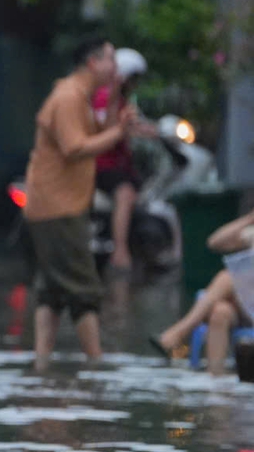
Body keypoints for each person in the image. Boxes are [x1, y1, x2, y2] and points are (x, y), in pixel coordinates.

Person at [23, 39, 141, 366]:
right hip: (57, 205)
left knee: (51, 288)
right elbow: (74, 148)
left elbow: (102, 131)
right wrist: (118, 133)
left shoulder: (83, 98)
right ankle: (96, 363)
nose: (116, 67)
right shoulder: (68, 97)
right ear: (92, 63)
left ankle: (42, 361)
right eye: (110, 60)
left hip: (60, 203)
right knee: (84, 286)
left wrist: (115, 102)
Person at [155, 210, 254, 372]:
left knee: (227, 277)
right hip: (245, 306)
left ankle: (179, 333)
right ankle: (215, 380)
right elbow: (215, 242)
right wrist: (250, 219)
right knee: (220, 312)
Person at [93, 48, 157, 272]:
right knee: (125, 193)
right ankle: (119, 251)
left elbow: (131, 124)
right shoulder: (105, 97)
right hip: (104, 166)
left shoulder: (122, 100)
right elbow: (110, 128)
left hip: (121, 164)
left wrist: (152, 130)